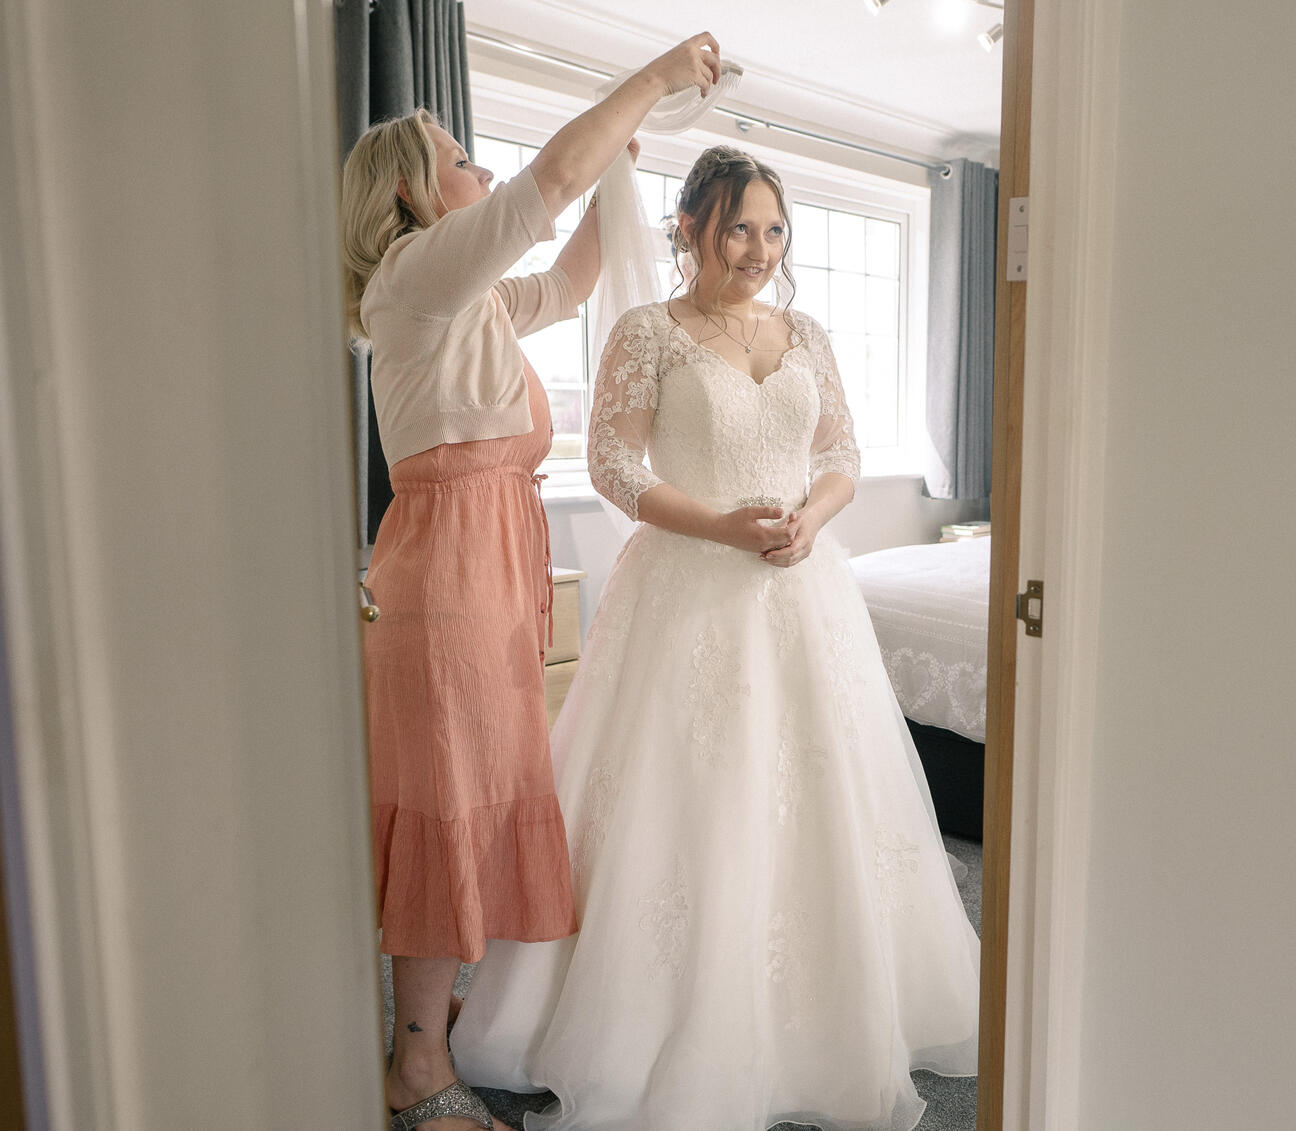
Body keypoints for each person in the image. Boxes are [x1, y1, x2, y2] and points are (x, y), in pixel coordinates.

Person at [449, 145, 980, 1131]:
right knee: (684, 797)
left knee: (821, 787)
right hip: (688, 585)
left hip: (801, 584)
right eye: (739, 227)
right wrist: (722, 527)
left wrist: (813, 521)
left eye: (773, 230)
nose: (758, 249)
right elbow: (610, 464)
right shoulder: (648, 332)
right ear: (691, 226)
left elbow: (842, 455)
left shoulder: (805, 332)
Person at [338, 33, 724, 1131]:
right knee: (448, 808)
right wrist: (646, 76)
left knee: (476, 799)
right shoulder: (414, 282)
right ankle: (416, 1067)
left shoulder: (471, 307)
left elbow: (568, 273)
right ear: (412, 195)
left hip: (489, 567)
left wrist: (621, 167)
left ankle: (430, 1017)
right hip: (448, 577)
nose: (482, 173)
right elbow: (539, 190)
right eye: (462, 160)